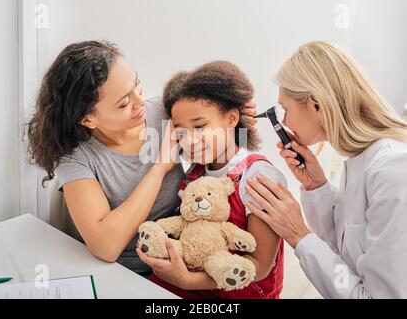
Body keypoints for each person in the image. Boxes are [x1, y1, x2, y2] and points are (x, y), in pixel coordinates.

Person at [26, 40, 257, 277]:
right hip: (126, 274)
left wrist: (236, 117)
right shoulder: (76, 160)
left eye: (137, 85)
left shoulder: (164, 113)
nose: (140, 103)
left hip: (186, 253)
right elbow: (106, 246)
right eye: (124, 103)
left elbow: (216, 131)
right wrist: (159, 169)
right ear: (88, 119)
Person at [245, 41, 407, 298]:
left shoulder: (392, 169)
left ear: (316, 105)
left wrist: (298, 234)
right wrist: (316, 187)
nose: (284, 121)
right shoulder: (357, 162)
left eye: (286, 109)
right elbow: (344, 251)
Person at [137, 61, 287, 299]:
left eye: (199, 126)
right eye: (180, 131)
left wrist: (186, 281)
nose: (189, 141)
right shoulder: (197, 172)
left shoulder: (258, 176)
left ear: (231, 119)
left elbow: (260, 265)